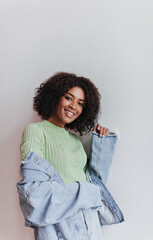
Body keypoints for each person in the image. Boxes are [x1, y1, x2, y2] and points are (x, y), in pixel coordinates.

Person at [20, 72, 110, 239]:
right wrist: (85, 193)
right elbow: (33, 193)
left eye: (80, 103)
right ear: (55, 97)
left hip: (90, 223)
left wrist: (101, 142)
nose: (73, 106)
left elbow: (92, 181)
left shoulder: (75, 140)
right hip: (60, 226)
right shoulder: (36, 131)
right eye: (69, 98)